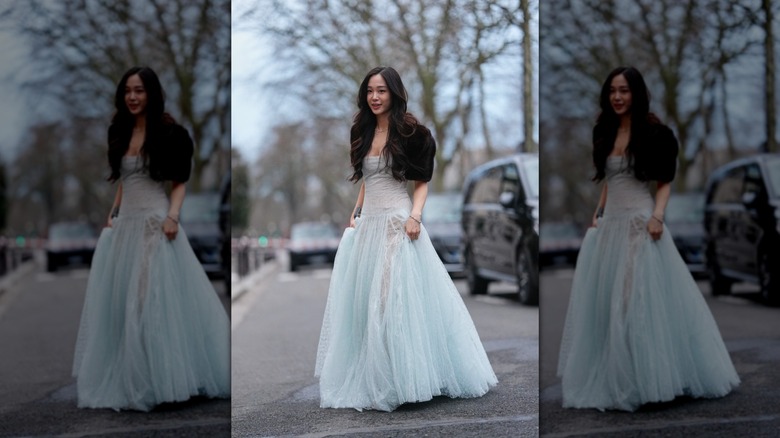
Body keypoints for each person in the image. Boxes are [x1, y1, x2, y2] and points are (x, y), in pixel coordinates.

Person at [314, 66, 497, 412]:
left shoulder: (413, 132)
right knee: (364, 304)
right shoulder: (362, 130)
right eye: (370, 91)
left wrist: (416, 216)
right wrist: (356, 213)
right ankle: (377, 379)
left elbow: (421, 181)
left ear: (394, 93)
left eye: (381, 90)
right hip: (368, 226)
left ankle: (405, 379)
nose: (375, 97)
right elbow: (367, 179)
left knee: (387, 300)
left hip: (398, 224)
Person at [557, 66, 740, 412]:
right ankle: (621, 380)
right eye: (612, 90)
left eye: (624, 90)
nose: (617, 97)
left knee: (630, 301)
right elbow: (609, 181)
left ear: (636, 93)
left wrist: (658, 216)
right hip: (610, 227)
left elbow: (664, 181)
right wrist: (597, 214)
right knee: (607, 305)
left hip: (641, 224)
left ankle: (650, 380)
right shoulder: (605, 130)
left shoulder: (656, 134)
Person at [72, 66, 231, 411]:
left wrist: (173, 217)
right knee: (119, 303)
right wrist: (113, 214)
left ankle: (163, 380)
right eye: (128, 90)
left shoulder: (170, 134)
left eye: (139, 90)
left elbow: (179, 182)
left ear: (152, 93)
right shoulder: (119, 130)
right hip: (125, 225)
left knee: (145, 300)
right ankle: (133, 381)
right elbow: (123, 180)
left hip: (155, 223)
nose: (132, 96)